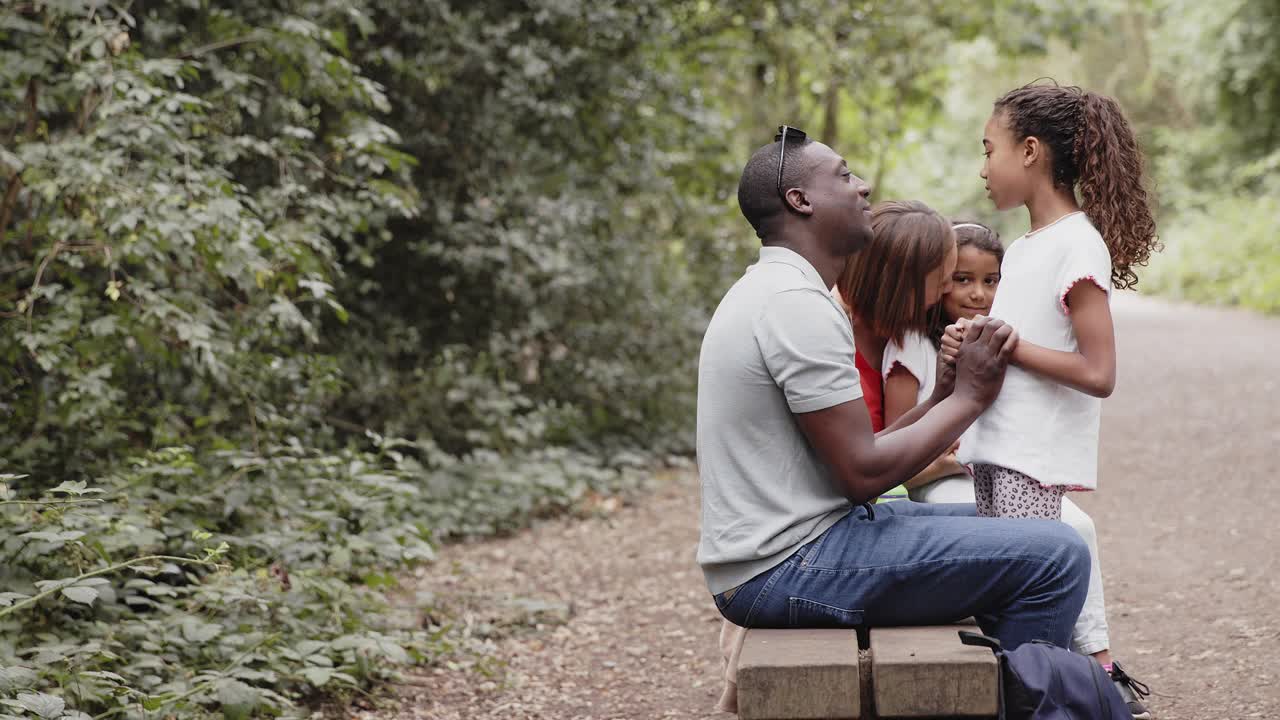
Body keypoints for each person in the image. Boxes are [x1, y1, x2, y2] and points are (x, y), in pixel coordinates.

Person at [697, 126, 1089, 659]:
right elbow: (863, 476)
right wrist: (970, 398)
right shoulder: (794, 305)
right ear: (800, 200)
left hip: (806, 540)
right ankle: (1033, 695)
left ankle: (997, 685)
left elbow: (860, 454)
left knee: (1028, 525)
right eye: (842, 175)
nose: (862, 187)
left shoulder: (784, 291)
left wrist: (942, 397)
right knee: (1057, 553)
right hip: (787, 565)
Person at [940, 81, 1160, 716]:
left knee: (1029, 631)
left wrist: (1004, 345)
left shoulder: (1075, 243)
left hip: (1031, 461)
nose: (983, 168)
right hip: (995, 451)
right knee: (1004, 615)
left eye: (990, 150)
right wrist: (972, 344)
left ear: (1030, 151)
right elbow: (1014, 345)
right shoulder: (1030, 247)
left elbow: (1099, 371)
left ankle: (1077, 700)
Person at [894, 220, 1153, 718]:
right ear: (939, 281)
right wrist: (952, 451)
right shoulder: (917, 348)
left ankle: (1094, 661)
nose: (978, 294)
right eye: (963, 280)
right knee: (1061, 533)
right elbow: (905, 450)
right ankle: (1075, 668)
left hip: (985, 471)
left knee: (1075, 526)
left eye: (991, 282)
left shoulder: (995, 338)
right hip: (939, 481)